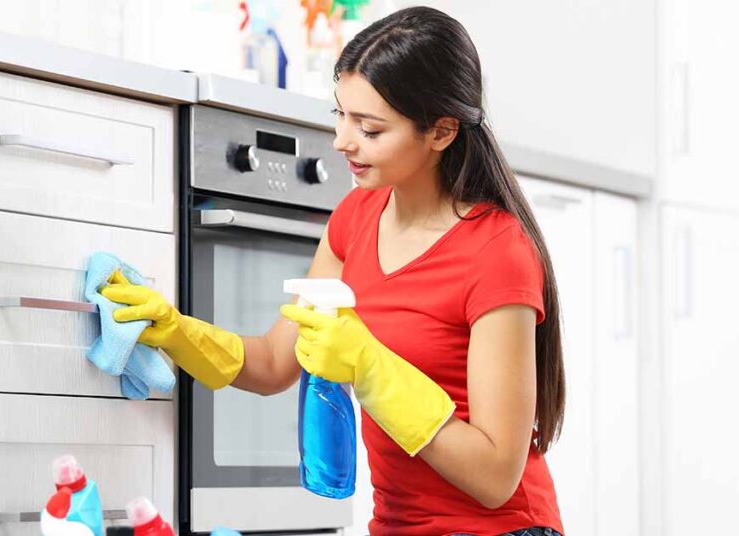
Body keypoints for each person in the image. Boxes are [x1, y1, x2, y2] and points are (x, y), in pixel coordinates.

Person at [100, 6, 565, 536]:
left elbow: (495, 475)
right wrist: (176, 330)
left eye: (369, 128)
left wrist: (371, 370)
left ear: (441, 131)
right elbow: (276, 361)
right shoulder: (355, 218)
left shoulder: (497, 250)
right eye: (339, 115)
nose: (343, 141)